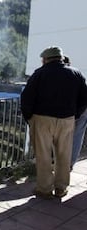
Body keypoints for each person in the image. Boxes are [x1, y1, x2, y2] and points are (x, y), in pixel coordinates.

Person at [21, 46, 87, 199]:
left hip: (42, 119)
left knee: (43, 155)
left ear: (45, 59)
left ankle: (44, 189)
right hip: (67, 120)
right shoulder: (76, 73)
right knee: (64, 154)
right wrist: (75, 115)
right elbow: (84, 98)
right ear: (61, 58)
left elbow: (26, 98)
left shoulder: (39, 74)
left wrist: (30, 118)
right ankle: (61, 188)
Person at [69, 55, 87, 168]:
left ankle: (63, 163)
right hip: (81, 110)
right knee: (77, 137)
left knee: (72, 137)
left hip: (77, 111)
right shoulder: (78, 74)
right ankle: (70, 164)